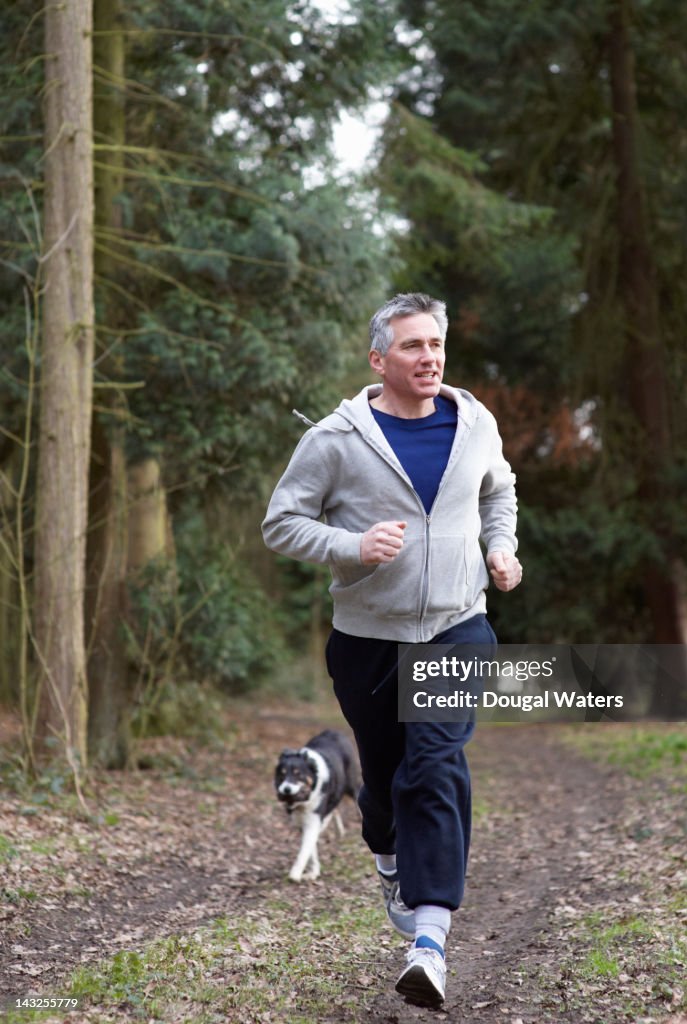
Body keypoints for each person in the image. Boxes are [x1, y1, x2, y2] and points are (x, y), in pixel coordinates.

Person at [261, 292, 522, 1008]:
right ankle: (385, 854)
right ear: (379, 359)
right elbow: (281, 523)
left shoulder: (473, 422)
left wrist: (501, 548)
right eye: (412, 346)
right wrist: (351, 545)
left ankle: (430, 943)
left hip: (457, 627)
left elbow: (500, 493)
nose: (429, 357)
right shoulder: (335, 439)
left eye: (435, 344)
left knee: (434, 766)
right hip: (368, 642)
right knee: (382, 782)